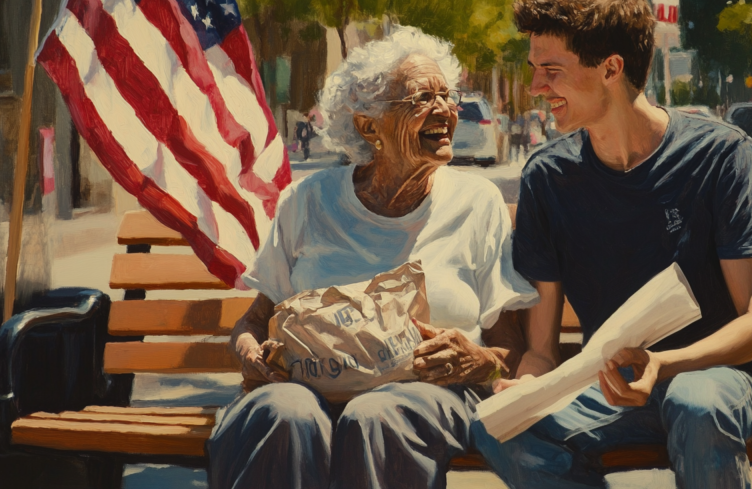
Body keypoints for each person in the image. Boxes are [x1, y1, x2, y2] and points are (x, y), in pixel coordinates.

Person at [472, 0, 752, 488]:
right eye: (534, 71)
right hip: (610, 386)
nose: (535, 88)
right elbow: (544, 351)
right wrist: (525, 389)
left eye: (552, 72)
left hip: (716, 379)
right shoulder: (548, 178)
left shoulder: (721, 155)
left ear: (611, 69)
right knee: (499, 428)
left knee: (695, 403)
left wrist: (663, 363)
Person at [208, 26, 539, 489]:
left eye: (448, 95)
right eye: (422, 99)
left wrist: (480, 359)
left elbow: (511, 350)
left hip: (423, 399)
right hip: (307, 389)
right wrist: (250, 355)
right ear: (368, 126)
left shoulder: (476, 203)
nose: (445, 110)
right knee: (284, 413)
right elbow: (255, 320)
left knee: (375, 414)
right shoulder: (308, 201)